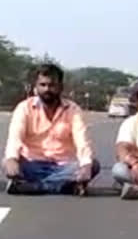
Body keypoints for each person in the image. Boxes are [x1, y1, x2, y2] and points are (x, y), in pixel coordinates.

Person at [3, 63, 100, 195]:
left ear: (61, 87)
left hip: (63, 166)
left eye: (52, 85)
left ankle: (34, 188)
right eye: (43, 85)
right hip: (32, 165)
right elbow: (15, 138)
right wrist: (12, 160)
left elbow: (82, 141)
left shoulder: (73, 110)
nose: (47, 89)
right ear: (35, 87)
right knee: (8, 162)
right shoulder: (24, 108)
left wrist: (85, 166)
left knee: (93, 165)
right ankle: (66, 187)